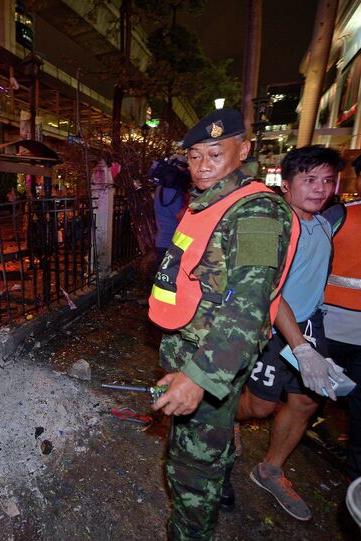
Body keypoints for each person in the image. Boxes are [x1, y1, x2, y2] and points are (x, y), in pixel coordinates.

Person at [147, 109, 299, 540]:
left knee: (193, 471)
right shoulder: (212, 202)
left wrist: (199, 378)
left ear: (243, 150)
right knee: (205, 450)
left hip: (209, 359)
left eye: (215, 152)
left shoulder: (256, 213)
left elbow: (249, 305)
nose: (202, 165)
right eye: (194, 156)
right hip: (193, 349)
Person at [231, 146, 345, 521]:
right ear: (288, 182)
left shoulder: (325, 223)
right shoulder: (268, 220)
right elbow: (267, 290)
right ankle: (226, 418)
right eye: (309, 179)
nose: (319, 188)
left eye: (327, 180)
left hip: (310, 323)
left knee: (307, 402)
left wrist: (310, 341)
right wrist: (300, 347)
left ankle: (271, 470)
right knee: (260, 405)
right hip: (273, 326)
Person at [322, 154, 361, 482]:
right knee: (305, 400)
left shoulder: (340, 215)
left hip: (332, 325)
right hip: (329, 326)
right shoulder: (340, 216)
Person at [151, 155, 190, 264]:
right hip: (172, 243)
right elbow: (180, 216)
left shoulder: (160, 188)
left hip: (162, 241)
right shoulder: (173, 191)